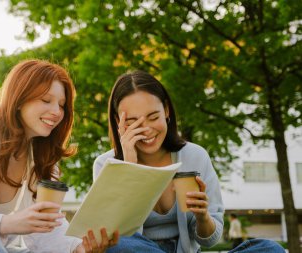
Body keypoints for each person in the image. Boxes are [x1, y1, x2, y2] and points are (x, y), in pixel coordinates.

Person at [0, 59, 117, 253]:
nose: (57, 112)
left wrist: (79, 248)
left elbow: (45, 228)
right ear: (19, 99)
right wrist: (6, 223)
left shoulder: (43, 160)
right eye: (46, 100)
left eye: (62, 105)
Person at [93, 70, 285, 253]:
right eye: (133, 123)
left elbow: (210, 239)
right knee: (119, 243)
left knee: (270, 249)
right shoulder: (106, 165)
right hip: (137, 249)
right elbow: (116, 237)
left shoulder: (194, 156)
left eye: (153, 117)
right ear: (118, 121)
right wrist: (130, 168)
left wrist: (203, 218)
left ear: (166, 110)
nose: (147, 130)